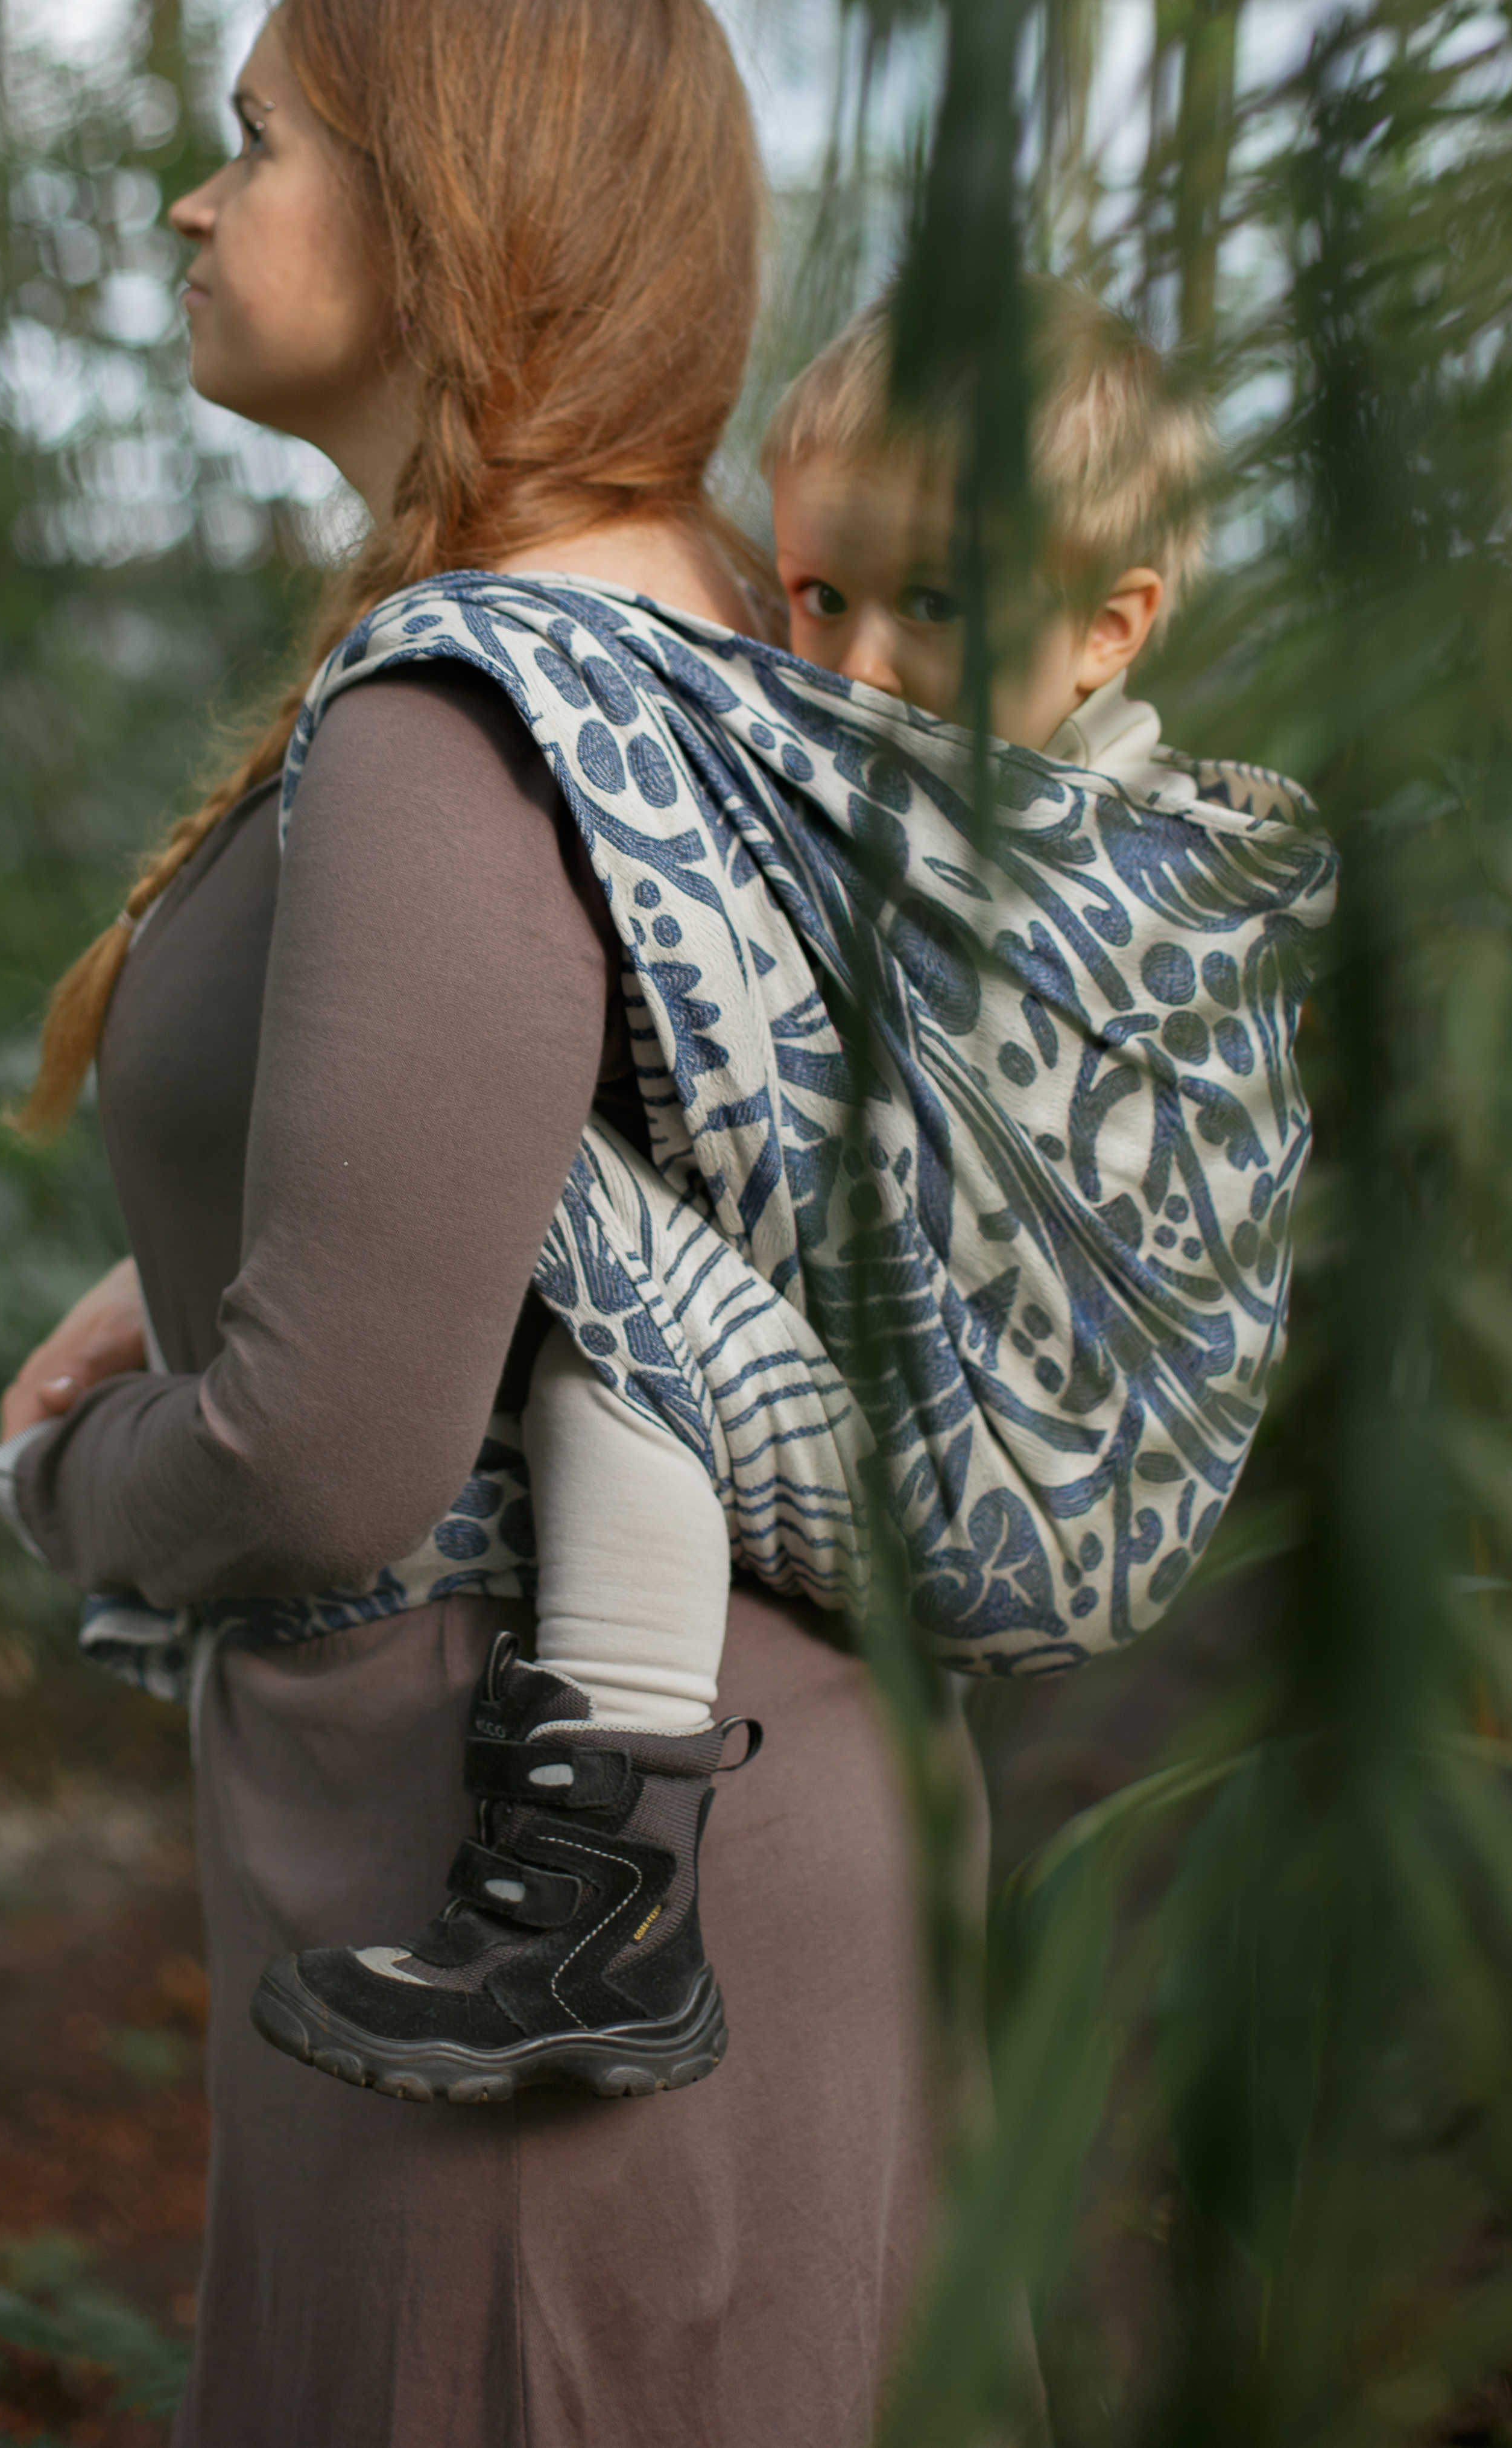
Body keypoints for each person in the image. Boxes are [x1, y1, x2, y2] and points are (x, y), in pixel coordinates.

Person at [0, 0, 968, 2448]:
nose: (194, 204)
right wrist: (201, 1251)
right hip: (717, 1826)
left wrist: (70, 1483)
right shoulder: (721, 625)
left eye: (253, 141)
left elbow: (325, 1448)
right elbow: (595, 1149)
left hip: (527, 1912)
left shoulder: (471, 708)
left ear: (445, 207)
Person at [247, 282, 1327, 2105]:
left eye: (938, 607)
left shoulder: (1086, 875)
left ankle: (595, 1916)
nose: (854, 668)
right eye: (818, 596)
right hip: (963, 1472)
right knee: (593, 1259)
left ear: (1108, 626)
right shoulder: (913, 795)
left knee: (537, 1199)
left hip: (1024, 1477)